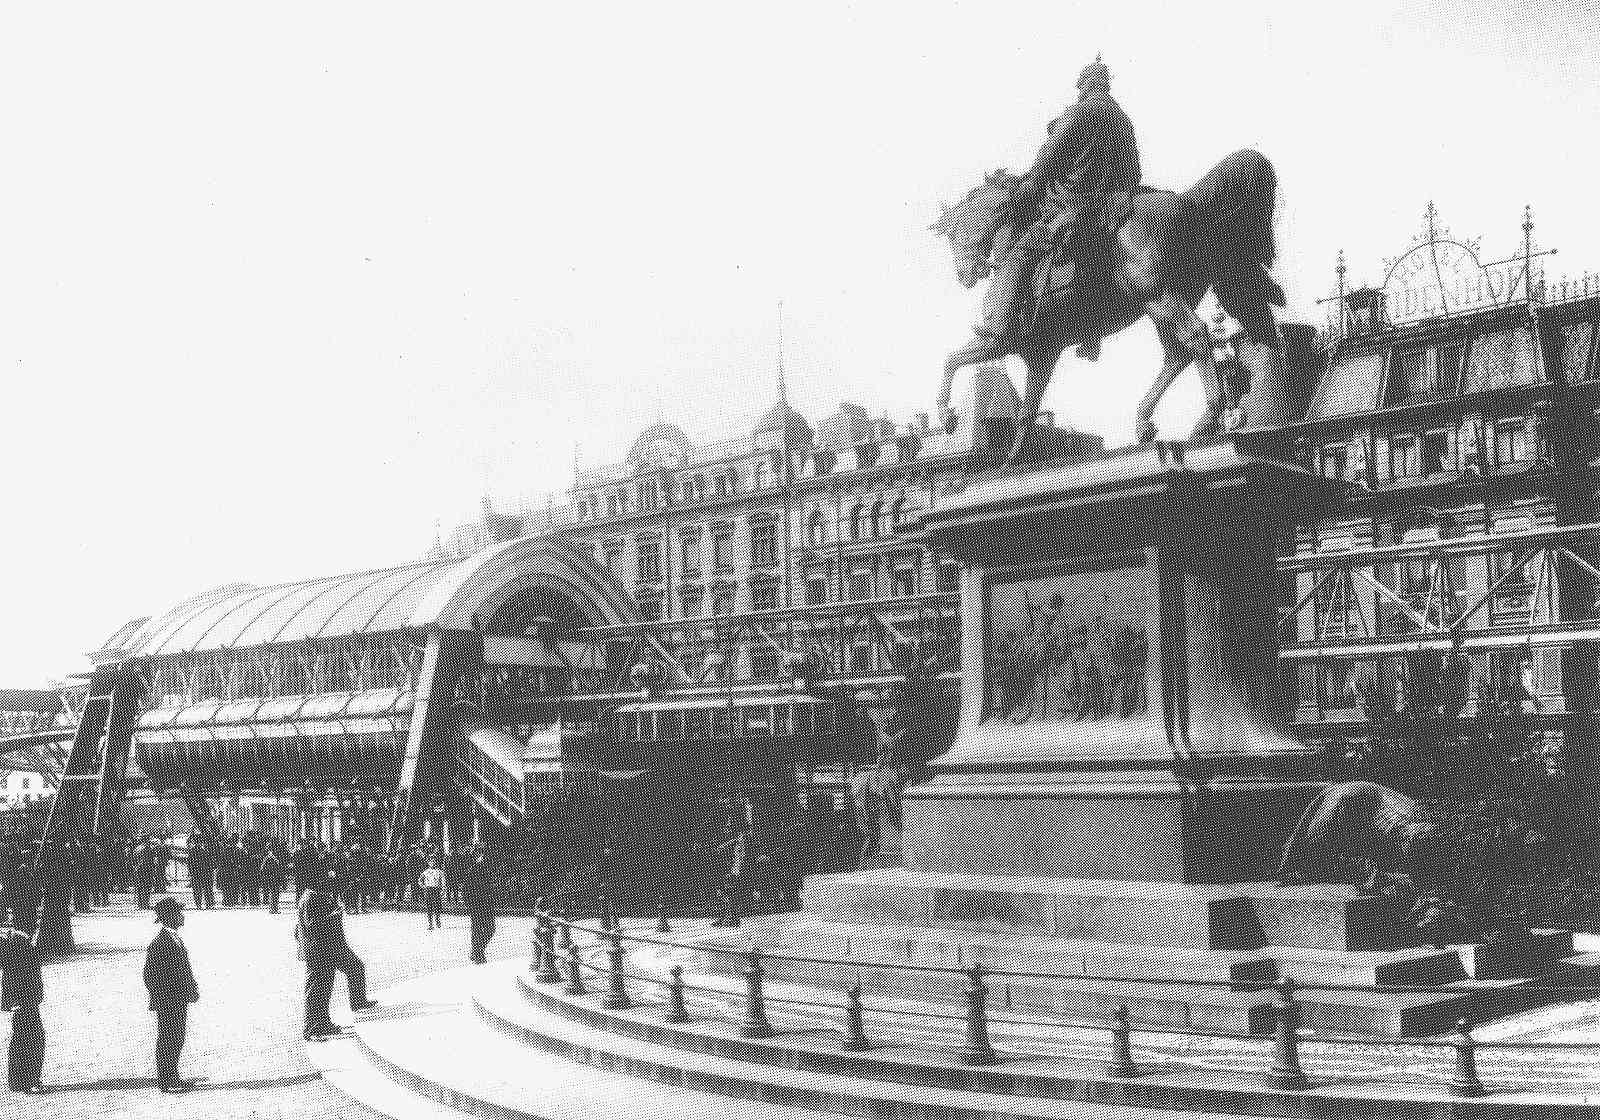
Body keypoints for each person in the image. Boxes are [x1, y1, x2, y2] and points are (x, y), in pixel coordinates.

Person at [978, 55, 1142, 354]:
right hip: (1108, 208)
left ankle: (995, 325)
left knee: (1019, 252)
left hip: (1072, 205)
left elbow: (1046, 165)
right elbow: (1135, 171)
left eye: (1081, 87)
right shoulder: (1123, 119)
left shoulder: (1081, 112)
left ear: (1084, 85)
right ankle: (1090, 334)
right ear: (1105, 85)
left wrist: (1023, 197)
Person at [298, 870, 375, 1041]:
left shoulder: (315, 895)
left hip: (325, 949)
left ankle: (322, 1023)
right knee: (318, 989)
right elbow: (312, 924)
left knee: (324, 988)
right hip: (320, 951)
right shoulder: (311, 897)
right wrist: (332, 915)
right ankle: (313, 1027)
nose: (329, 883)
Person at [143, 897, 198, 1093]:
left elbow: (183, 969)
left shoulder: (174, 938)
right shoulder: (159, 943)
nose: (182, 916)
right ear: (170, 917)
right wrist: (164, 997)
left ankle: (173, 1076)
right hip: (169, 1001)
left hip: (178, 998)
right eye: (178, 913)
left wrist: (191, 986)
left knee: (177, 1037)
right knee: (168, 1038)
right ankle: (165, 1081)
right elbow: (149, 975)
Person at [1, 888, 46, 1094]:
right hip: (24, 998)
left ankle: (22, 1079)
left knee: (27, 1036)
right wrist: (15, 1000)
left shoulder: (16, 939)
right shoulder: (16, 941)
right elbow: (16, 973)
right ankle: (25, 1080)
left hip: (24, 998)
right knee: (29, 1037)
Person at [460, 847, 495, 963]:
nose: (483, 857)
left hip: (488, 905)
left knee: (491, 929)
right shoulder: (472, 871)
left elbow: (492, 888)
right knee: (477, 931)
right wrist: (469, 905)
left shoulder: (488, 870)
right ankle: (477, 954)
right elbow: (465, 889)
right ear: (477, 856)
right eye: (481, 855)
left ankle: (477, 951)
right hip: (476, 906)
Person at [419, 857, 444, 931]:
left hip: (436, 889)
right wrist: (423, 886)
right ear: (428, 863)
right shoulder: (426, 872)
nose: (432, 863)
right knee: (429, 907)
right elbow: (420, 880)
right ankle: (430, 924)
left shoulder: (439, 872)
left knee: (437, 906)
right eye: (430, 862)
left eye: (433, 862)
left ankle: (437, 919)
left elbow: (443, 881)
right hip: (428, 890)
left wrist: (443, 889)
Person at [261, 847, 286, 915]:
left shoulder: (274, 858)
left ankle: (274, 908)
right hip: (272, 878)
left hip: (275, 878)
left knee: (275, 893)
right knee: (274, 893)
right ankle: (273, 909)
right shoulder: (269, 858)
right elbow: (263, 869)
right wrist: (268, 875)